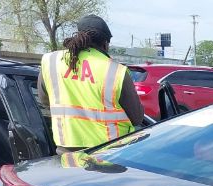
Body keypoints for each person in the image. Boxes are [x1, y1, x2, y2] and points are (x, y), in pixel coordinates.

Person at [38, 15, 144, 153]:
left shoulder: (51, 61)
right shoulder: (116, 71)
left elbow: (45, 101)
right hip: (108, 155)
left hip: (66, 153)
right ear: (105, 44)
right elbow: (137, 118)